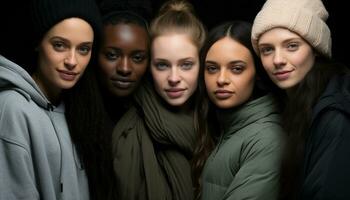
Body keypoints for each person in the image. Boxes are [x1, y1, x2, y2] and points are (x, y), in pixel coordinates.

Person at [0, 0, 106, 199]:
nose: (72, 61)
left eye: (83, 49)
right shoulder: (13, 109)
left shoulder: (79, 109)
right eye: (59, 45)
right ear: (38, 43)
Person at [251, 0, 350, 199]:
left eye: (292, 46)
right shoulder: (290, 104)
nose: (277, 60)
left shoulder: (334, 114)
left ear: (315, 49)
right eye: (267, 49)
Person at [111, 0, 206, 199]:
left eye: (186, 65)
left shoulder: (217, 123)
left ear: (202, 64)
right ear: (149, 67)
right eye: (162, 65)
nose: (173, 78)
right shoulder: (129, 133)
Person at [191, 21, 285, 200]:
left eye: (236, 69)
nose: (221, 79)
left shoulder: (266, 139)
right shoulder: (222, 127)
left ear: (257, 73)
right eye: (212, 68)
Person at [98, 0, 152, 132]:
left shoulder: (156, 119)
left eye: (137, 58)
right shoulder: (71, 113)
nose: (125, 68)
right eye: (112, 55)